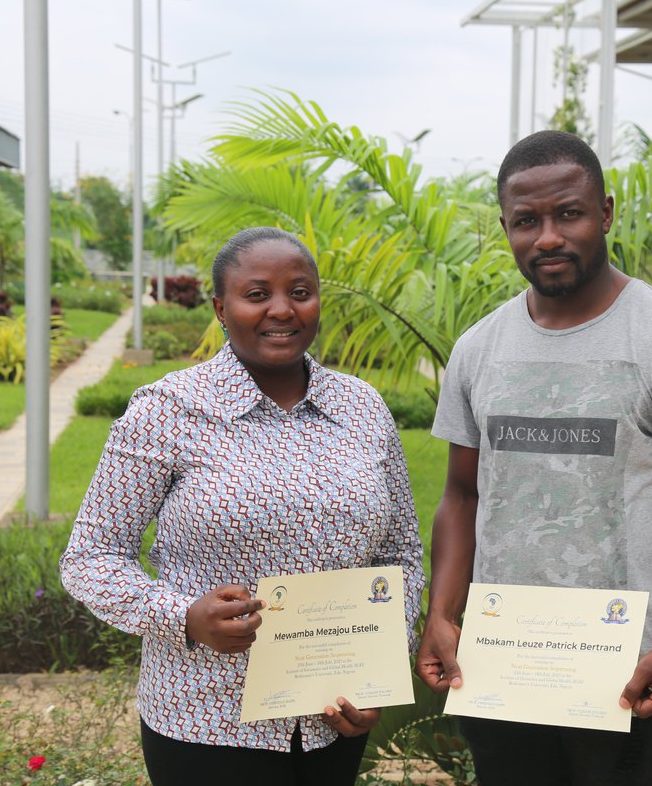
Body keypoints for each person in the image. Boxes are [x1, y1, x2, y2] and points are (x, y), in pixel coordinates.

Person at [415, 131, 652, 786]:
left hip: (627, 677)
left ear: (607, 213)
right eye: (525, 221)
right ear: (505, 226)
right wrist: (442, 614)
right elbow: (461, 495)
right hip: (504, 670)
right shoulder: (479, 350)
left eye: (569, 213)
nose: (547, 237)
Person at [60, 226, 424, 785]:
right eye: (257, 294)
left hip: (334, 713)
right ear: (221, 309)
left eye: (300, 292)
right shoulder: (168, 410)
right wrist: (183, 616)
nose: (282, 309)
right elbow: (90, 556)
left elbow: (401, 554)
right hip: (206, 719)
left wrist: (378, 676)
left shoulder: (364, 408)